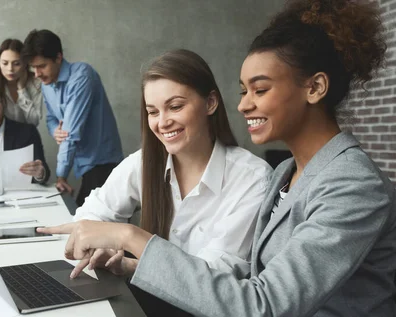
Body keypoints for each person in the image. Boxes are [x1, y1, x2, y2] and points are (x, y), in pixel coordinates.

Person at [39, 0, 396, 316]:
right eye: (243, 91)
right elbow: (249, 274)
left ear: (315, 88)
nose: (243, 104)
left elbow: (266, 305)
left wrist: (131, 237)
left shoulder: (353, 184)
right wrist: (133, 265)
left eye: (260, 89)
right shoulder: (287, 171)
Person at [72, 49, 272, 282]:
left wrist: (131, 248)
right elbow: (89, 215)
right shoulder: (145, 161)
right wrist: (101, 248)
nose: (163, 122)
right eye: (153, 112)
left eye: (175, 107)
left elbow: (214, 275)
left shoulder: (253, 178)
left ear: (210, 103)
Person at [22, 29, 124, 206]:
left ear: (58, 57)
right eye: (33, 67)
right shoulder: (47, 85)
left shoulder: (82, 76)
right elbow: (51, 119)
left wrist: (61, 176)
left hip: (103, 165)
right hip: (84, 166)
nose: (37, 74)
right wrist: (56, 131)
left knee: (90, 224)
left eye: (42, 66)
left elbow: (70, 134)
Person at [0, 39, 43, 126]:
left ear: (25, 63)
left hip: (27, 136)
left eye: (16, 64)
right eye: (5, 63)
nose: (10, 69)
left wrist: (22, 89)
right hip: (1, 136)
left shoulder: (36, 83)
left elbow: (34, 122)